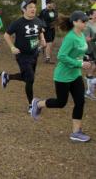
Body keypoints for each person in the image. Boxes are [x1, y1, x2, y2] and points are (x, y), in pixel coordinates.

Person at [31, 11, 91, 143]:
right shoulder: (70, 37)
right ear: (75, 22)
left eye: (86, 21)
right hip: (63, 76)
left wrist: (84, 58)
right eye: (83, 21)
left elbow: (78, 51)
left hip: (75, 75)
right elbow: (61, 56)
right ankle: (38, 103)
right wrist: (80, 63)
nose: (85, 23)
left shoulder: (81, 34)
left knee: (80, 102)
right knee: (61, 102)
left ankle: (76, 132)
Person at [1, 0, 46, 113]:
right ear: (24, 9)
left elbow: (40, 31)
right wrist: (12, 47)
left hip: (34, 53)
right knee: (30, 79)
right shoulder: (18, 23)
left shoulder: (38, 21)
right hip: (22, 55)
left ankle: (8, 77)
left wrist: (43, 39)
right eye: (30, 7)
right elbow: (6, 35)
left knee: (27, 77)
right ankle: (31, 105)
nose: (33, 9)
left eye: (34, 7)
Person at [39, 0, 58, 64]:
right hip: (46, 29)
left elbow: (56, 18)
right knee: (49, 43)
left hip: (52, 29)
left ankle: (40, 48)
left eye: (53, 4)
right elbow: (39, 20)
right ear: (48, 4)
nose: (53, 5)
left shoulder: (54, 11)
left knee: (50, 43)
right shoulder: (43, 12)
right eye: (51, 3)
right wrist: (41, 27)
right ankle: (48, 58)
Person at [83, 9, 96, 99]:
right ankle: (88, 92)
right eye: (95, 14)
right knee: (91, 68)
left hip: (95, 49)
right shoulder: (87, 26)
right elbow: (85, 39)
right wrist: (92, 39)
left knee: (93, 68)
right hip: (89, 50)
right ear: (91, 15)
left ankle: (89, 79)